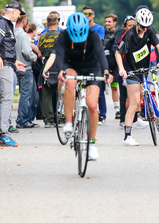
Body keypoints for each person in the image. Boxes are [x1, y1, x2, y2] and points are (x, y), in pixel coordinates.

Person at [42, 12, 111, 160]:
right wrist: (61, 70)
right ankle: (68, 122)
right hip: (71, 65)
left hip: (92, 67)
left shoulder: (93, 35)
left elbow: (101, 54)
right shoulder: (64, 35)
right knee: (70, 82)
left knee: (92, 106)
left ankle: (92, 143)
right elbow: (59, 55)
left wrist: (106, 71)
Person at [115, 6, 159, 145]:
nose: (145, 29)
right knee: (135, 102)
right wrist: (121, 69)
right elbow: (118, 53)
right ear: (138, 23)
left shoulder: (149, 31)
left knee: (143, 96)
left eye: (147, 26)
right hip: (131, 71)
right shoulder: (130, 35)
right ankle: (127, 136)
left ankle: (154, 115)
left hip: (144, 69)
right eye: (143, 26)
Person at [0, 1, 26, 148]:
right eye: (19, 13)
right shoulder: (1, 24)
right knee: (6, 98)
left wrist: (14, 61)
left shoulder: (6, 24)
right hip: (3, 64)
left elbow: (6, 46)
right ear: (13, 11)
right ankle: (3, 134)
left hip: (8, 63)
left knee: (4, 99)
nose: (19, 16)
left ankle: (0, 134)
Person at [82, 6, 108, 124]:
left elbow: (97, 42)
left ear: (93, 15)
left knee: (99, 89)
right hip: (83, 61)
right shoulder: (81, 28)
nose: (87, 16)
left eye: (89, 14)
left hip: (96, 61)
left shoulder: (99, 28)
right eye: (84, 14)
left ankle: (102, 114)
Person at [37, 13, 62, 128]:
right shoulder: (61, 35)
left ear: (47, 23)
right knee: (59, 93)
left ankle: (48, 120)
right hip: (59, 64)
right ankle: (58, 118)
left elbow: (39, 52)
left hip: (46, 64)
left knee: (46, 94)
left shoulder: (42, 36)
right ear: (57, 22)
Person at [14, 14, 38, 129]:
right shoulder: (23, 35)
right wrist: (35, 57)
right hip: (26, 67)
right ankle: (23, 120)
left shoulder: (13, 32)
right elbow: (27, 52)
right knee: (27, 95)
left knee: (25, 94)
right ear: (23, 21)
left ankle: (26, 119)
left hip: (16, 66)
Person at [104, 14, 122, 116]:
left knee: (117, 87)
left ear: (115, 23)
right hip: (106, 63)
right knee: (110, 88)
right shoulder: (103, 32)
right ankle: (114, 110)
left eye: (109, 21)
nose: (107, 23)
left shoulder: (119, 33)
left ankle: (119, 109)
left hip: (117, 64)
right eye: (106, 21)